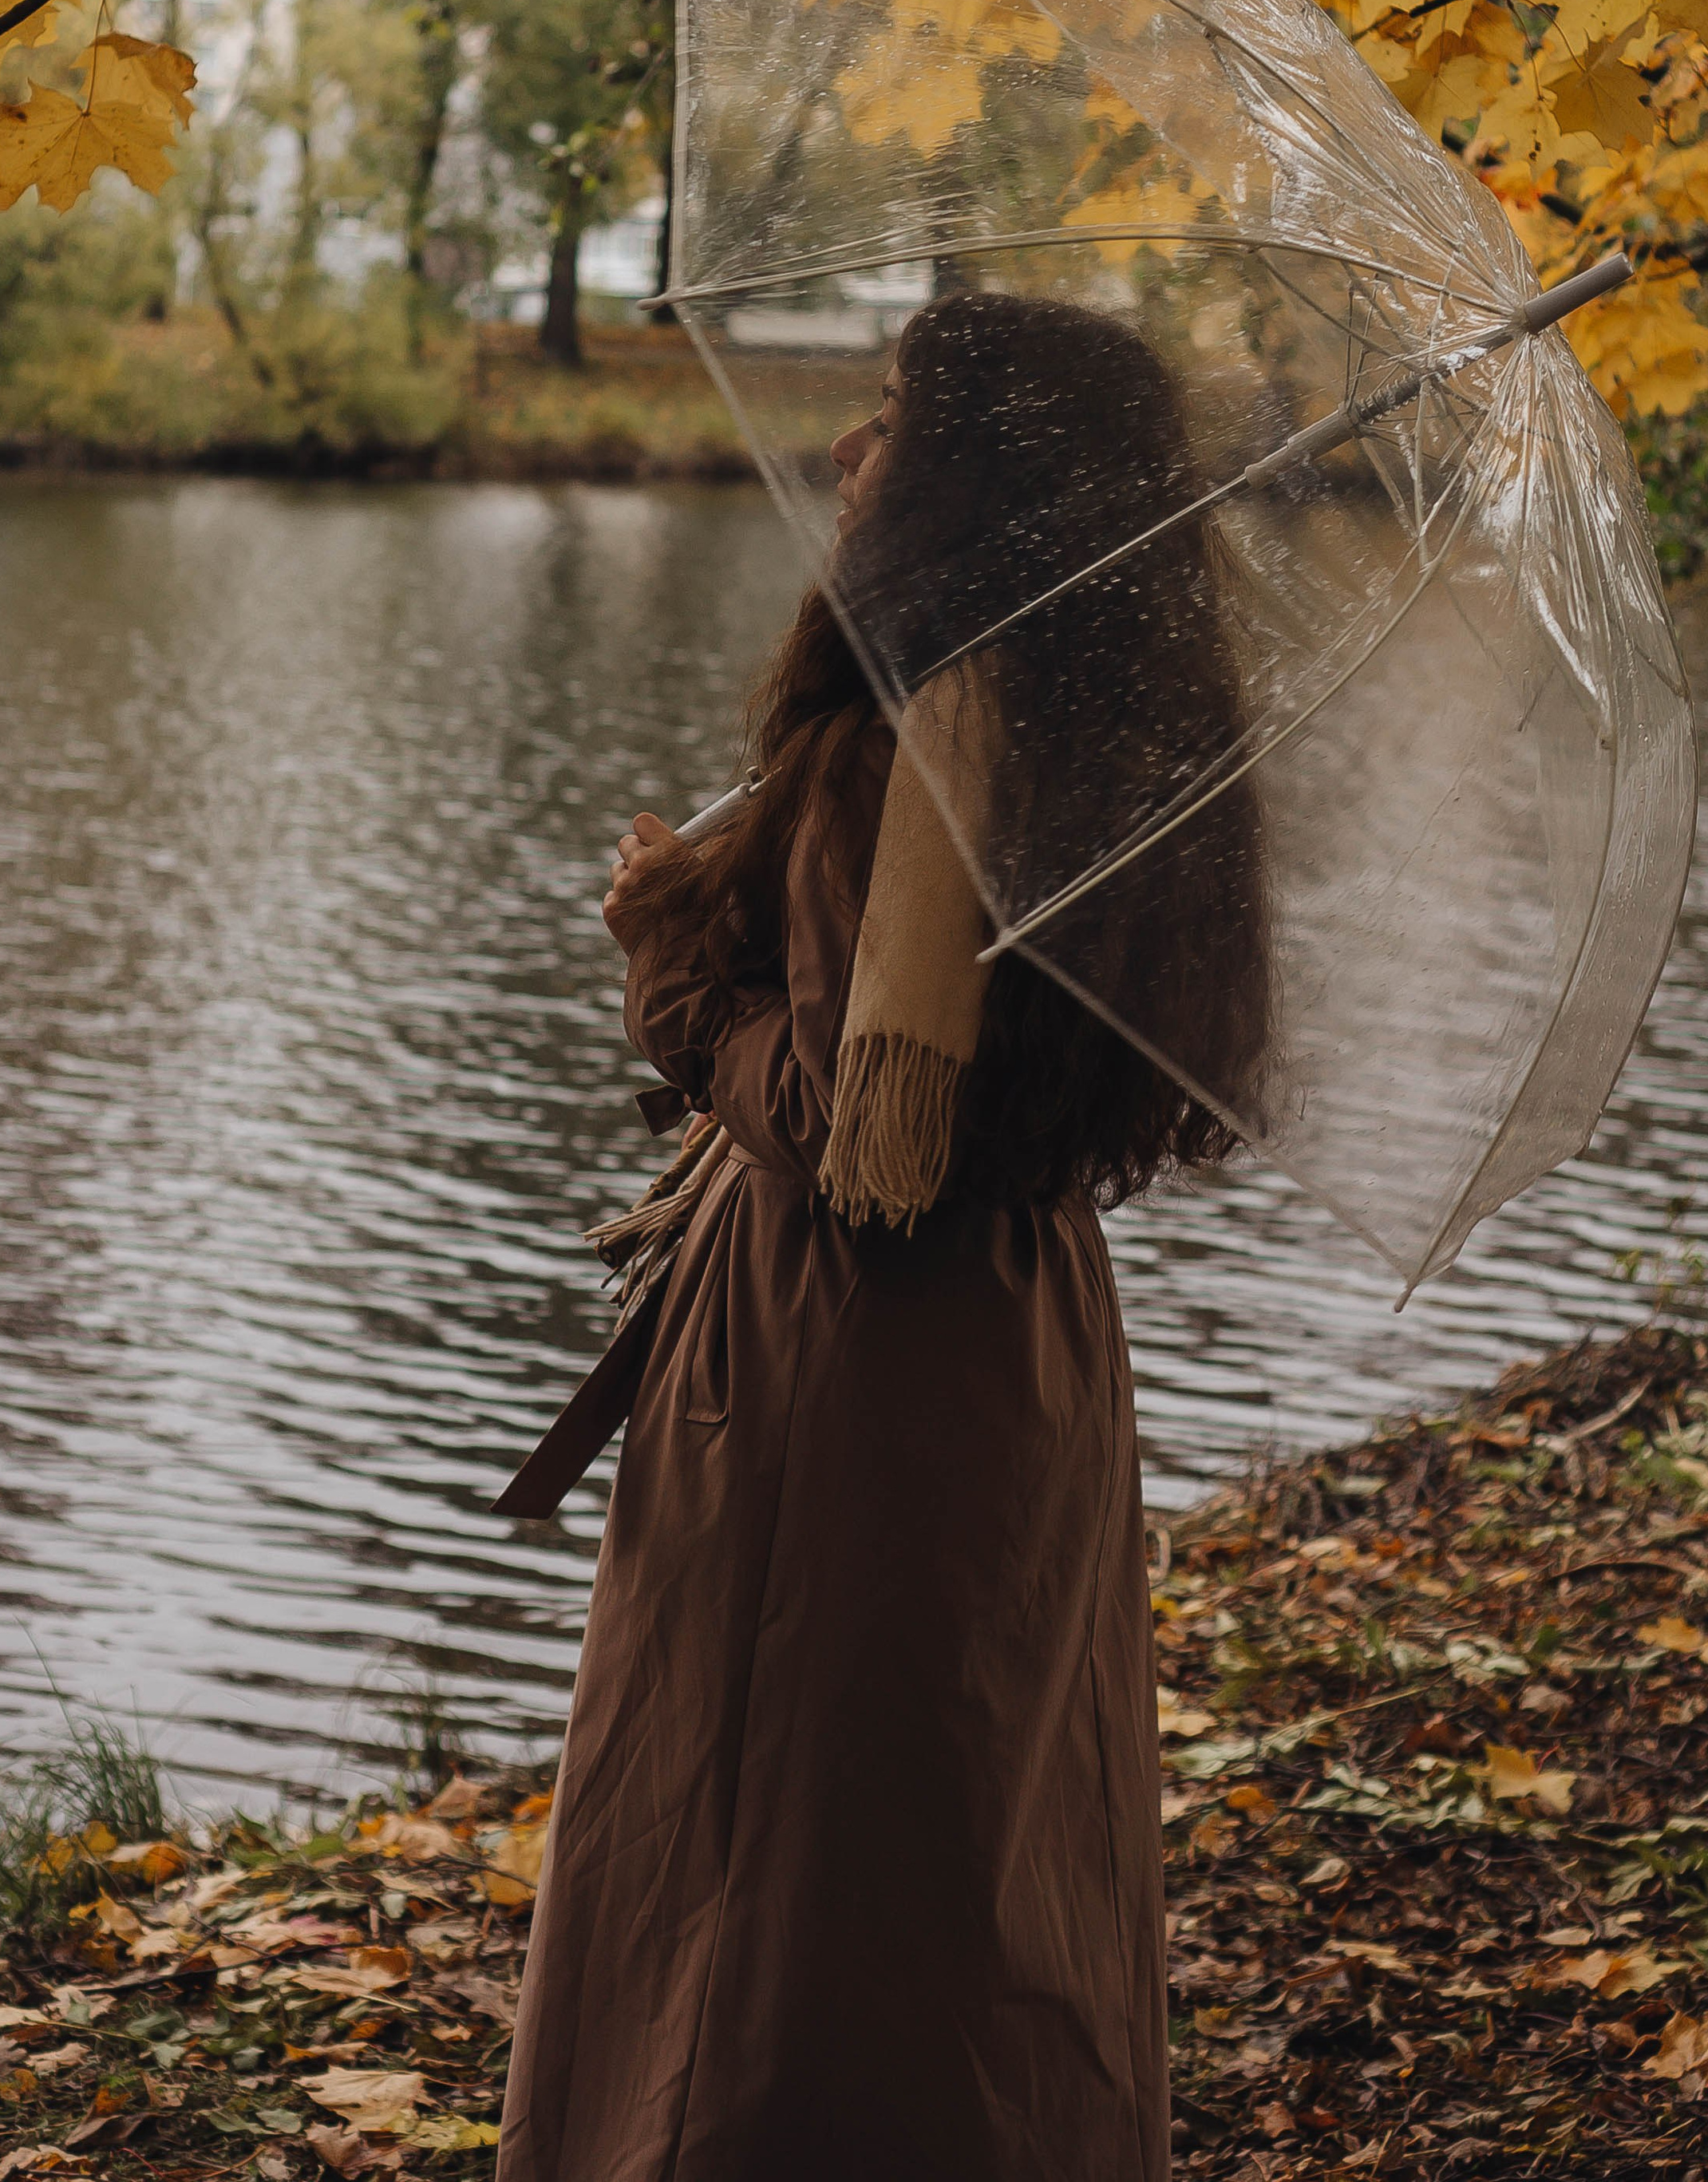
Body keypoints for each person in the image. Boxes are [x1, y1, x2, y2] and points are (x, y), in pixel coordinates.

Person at [496, 290, 1272, 2182]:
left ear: (984, 483)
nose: (850, 450)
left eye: (894, 419)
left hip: (835, 1365)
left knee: (773, 1840)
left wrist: (678, 972)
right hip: (1018, 1348)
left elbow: (865, 1144)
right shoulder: (1114, 724)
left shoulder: (915, 738)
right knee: (976, 1824)